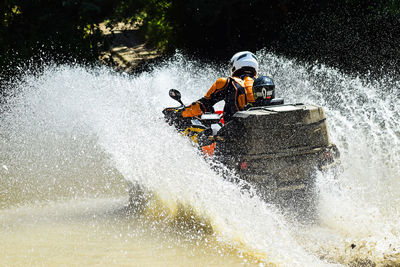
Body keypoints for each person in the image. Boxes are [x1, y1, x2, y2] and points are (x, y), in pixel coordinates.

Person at [181, 51, 262, 123]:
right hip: (261, 129)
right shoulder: (263, 82)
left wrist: (182, 112)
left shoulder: (227, 82)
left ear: (235, 65)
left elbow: (203, 105)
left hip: (234, 133)